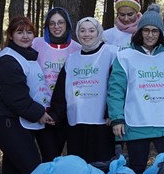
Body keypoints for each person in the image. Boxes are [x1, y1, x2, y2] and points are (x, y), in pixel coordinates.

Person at [108, 5, 164, 174]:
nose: (150, 35)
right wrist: (117, 118)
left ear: (160, 33)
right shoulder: (124, 57)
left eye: (155, 31)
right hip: (136, 123)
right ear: (139, 32)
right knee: (136, 169)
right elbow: (115, 90)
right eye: (146, 30)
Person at [0, 16, 55, 174]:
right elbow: (15, 97)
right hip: (7, 122)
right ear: (10, 35)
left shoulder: (29, 56)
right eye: (19, 32)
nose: (25, 36)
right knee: (32, 169)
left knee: (11, 171)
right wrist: (39, 114)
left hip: (21, 122)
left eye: (29, 32)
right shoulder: (6, 60)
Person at [49, 17, 119, 164]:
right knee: (78, 164)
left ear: (98, 32)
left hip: (102, 122)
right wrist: (55, 114)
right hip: (77, 120)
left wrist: (112, 112)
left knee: (101, 164)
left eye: (91, 30)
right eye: (82, 30)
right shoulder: (72, 59)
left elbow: (117, 86)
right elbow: (61, 89)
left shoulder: (112, 53)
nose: (86, 34)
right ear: (77, 33)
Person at [32, 7, 81, 160]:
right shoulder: (36, 44)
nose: (56, 26)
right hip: (42, 109)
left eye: (60, 22)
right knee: (48, 156)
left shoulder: (77, 48)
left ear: (67, 25)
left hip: (66, 111)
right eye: (52, 23)